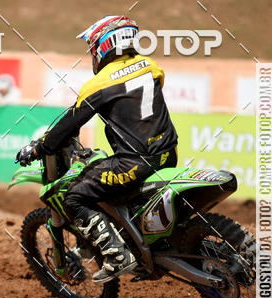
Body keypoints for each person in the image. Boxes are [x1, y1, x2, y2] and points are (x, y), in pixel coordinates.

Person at [16, 16, 178, 283]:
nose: (92, 54)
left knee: (74, 196)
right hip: (168, 155)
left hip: (134, 163)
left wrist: (40, 148)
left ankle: (117, 256)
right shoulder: (150, 66)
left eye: (92, 48)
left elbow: (71, 122)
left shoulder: (100, 83)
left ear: (105, 46)